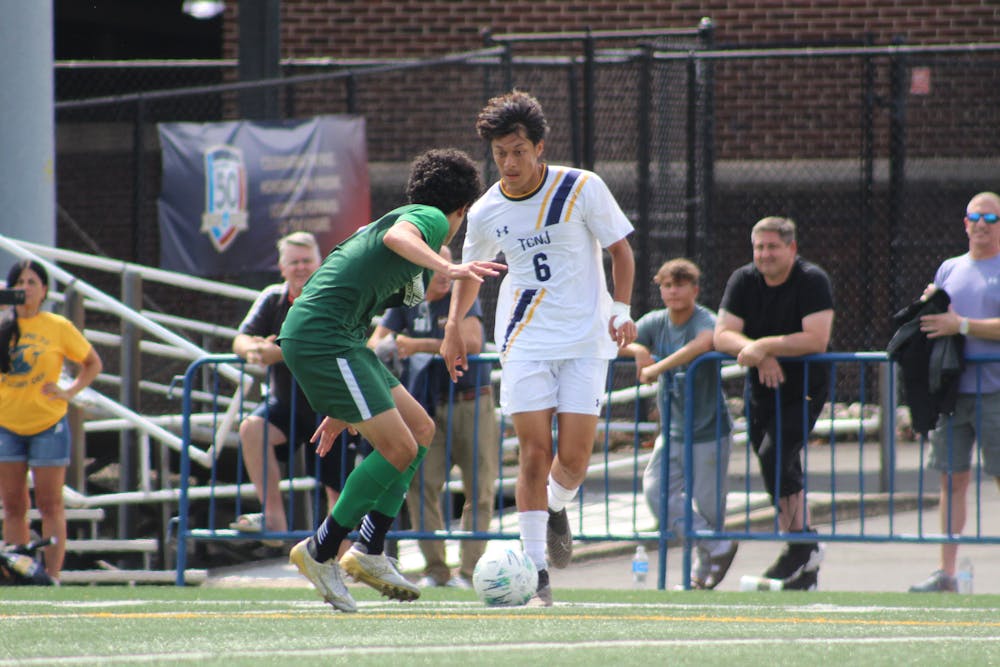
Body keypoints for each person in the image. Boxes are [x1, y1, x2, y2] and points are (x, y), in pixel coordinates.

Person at [278, 148, 505, 613]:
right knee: (398, 448)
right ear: (461, 208)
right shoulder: (428, 219)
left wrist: (345, 408)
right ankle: (322, 550)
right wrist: (449, 266)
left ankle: (370, 548)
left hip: (341, 341)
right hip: (326, 339)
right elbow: (403, 235)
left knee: (420, 430)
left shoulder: (405, 228)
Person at [440, 90, 637, 607]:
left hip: (587, 340)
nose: (509, 162)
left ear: (539, 147)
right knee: (534, 452)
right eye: (501, 153)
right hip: (524, 341)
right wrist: (453, 324)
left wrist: (622, 308)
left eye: (518, 151)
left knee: (572, 459)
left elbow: (620, 249)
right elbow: (471, 273)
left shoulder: (581, 187)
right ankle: (536, 571)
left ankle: (554, 505)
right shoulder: (485, 211)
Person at [713, 216, 834, 591]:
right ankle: (805, 563)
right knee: (776, 463)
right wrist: (757, 353)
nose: (764, 254)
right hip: (761, 389)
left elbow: (816, 338)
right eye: (759, 247)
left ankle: (801, 544)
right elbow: (722, 335)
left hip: (805, 389)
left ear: (791, 248)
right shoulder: (743, 280)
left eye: (772, 247)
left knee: (775, 454)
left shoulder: (812, 280)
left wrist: (765, 345)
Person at [368, 246, 499, 589]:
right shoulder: (406, 300)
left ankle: (471, 573)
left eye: (448, 264)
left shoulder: (462, 295)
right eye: (434, 265)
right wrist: (391, 345)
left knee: (478, 489)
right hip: (423, 408)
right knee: (420, 484)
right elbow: (375, 343)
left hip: (471, 402)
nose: (444, 272)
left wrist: (417, 345)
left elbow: (472, 342)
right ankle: (436, 570)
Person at [232, 231, 359, 548]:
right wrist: (253, 350)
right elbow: (240, 339)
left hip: (330, 406)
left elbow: (322, 342)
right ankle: (274, 518)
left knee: (336, 489)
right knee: (251, 428)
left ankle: (338, 562)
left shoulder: (331, 295)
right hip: (287, 404)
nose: (301, 267)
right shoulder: (272, 298)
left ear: (319, 263)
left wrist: (279, 350)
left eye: (307, 261)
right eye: (294, 262)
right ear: (282, 266)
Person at [620, 258, 737, 589]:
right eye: (667, 285)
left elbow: (703, 344)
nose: (673, 291)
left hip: (708, 431)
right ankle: (717, 546)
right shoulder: (656, 321)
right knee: (656, 490)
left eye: (680, 285)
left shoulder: (705, 319)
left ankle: (702, 573)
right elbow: (623, 339)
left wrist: (657, 368)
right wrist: (640, 350)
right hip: (672, 430)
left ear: (694, 289)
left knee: (710, 507)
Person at [909, 191, 1000, 593]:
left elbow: (959, 324)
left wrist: (960, 325)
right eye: (975, 216)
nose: (982, 224)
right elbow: (936, 320)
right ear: (965, 223)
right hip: (952, 394)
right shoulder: (949, 268)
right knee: (950, 481)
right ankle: (946, 572)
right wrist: (928, 306)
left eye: (991, 218)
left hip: (995, 394)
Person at [0, 259, 103, 582]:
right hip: (7, 423)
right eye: (19, 283)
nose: (26, 289)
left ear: (44, 290)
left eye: (32, 283)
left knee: (50, 502)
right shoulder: (2, 323)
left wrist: (69, 392)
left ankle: (52, 575)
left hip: (47, 423)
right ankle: (18, 570)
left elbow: (92, 363)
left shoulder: (57, 326)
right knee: (14, 503)